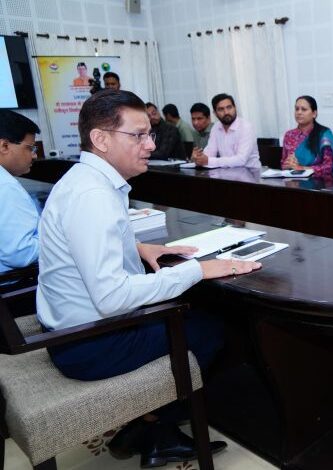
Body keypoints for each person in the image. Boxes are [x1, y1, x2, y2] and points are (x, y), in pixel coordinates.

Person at [36, 89, 261, 467]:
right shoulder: (93, 196)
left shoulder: (85, 180)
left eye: (150, 133)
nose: (151, 144)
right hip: (87, 343)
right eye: (138, 135)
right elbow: (112, 298)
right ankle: (156, 426)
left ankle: (148, 422)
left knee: (193, 311)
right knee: (210, 327)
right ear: (101, 139)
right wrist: (197, 270)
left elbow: (86, 246)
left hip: (70, 329)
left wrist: (138, 247)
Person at [0, 110, 41, 274]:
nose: (34, 155)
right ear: (4, 146)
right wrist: (59, 239)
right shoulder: (6, 186)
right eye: (30, 148)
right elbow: (21, 254)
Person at [281, 95, 333, 178]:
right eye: (297, 109)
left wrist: (301, 168)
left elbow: (328, 167)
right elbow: (283, 163)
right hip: (292, 181)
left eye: (304, 109)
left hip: (318, 182)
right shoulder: (289, 135)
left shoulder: (324, 135)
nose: (299, 112)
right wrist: (287, 165)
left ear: (314, 114)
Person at [191, 93, 261, 168]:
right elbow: (210, 153)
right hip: (226, 172)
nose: (226, 112)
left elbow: (241, 160)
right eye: (221, 109)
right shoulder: (216, 127)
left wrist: (208, 161)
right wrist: (198, 157)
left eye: (229, 107)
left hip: (250, 172)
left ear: (235, 108)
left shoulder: (246, 127)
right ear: (215, 113)